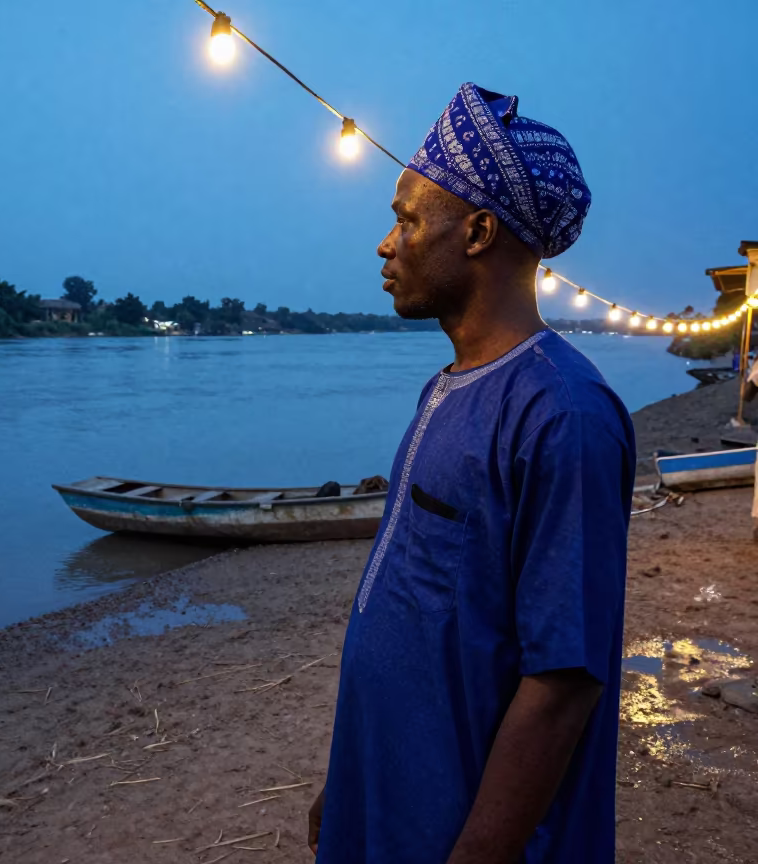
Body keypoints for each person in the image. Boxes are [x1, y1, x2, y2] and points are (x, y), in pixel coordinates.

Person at [308, 83, 635, 863]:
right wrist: (348, 776)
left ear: (481, 231)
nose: (387, 244)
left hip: (457, 828)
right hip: (390, 796)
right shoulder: (446, 389)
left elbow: (563, 681)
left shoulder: (565, 414)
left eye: (409, 218)